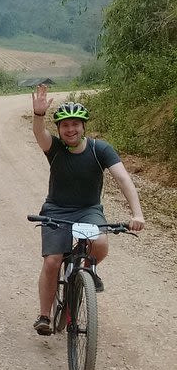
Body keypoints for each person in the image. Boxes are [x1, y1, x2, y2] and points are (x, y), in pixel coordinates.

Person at [30, 84, 145, 334]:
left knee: (100, 244)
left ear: (83, 127)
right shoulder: (56, 149)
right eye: (65, 125)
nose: (70, 129)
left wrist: (137, 214)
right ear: (59, 129)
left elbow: (124, 179)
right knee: (52, 261)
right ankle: (44, 316)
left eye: (76, 124)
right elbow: (40, 136)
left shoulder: (99, 149)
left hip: (88, 210)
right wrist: (39, 116)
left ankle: (82, 275)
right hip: (56, 210)